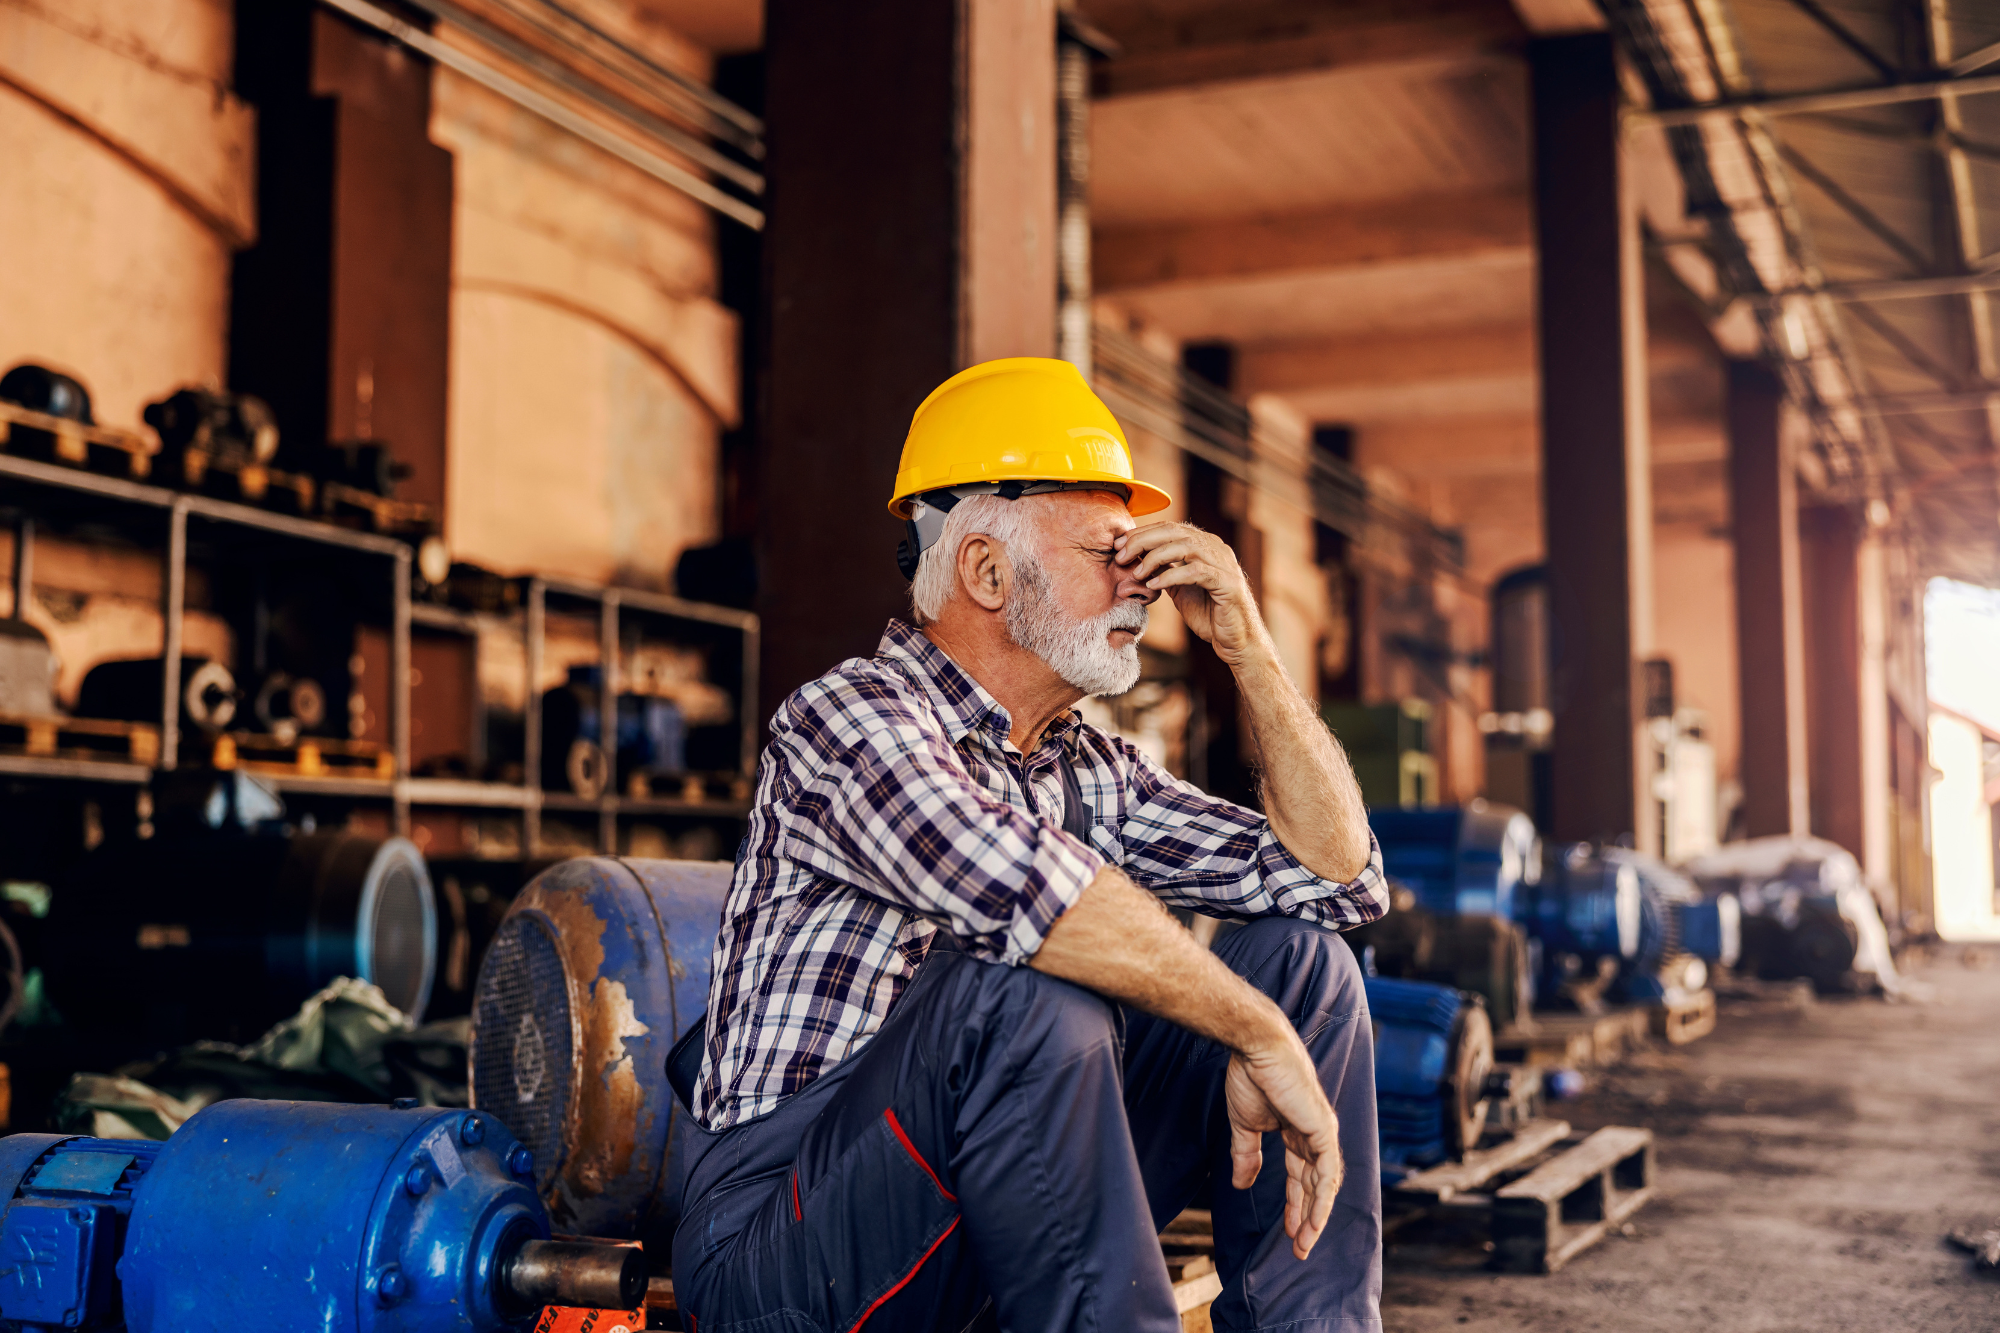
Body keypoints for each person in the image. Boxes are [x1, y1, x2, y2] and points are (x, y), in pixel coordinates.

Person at [673, 357, 1388, 1333]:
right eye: (1108, 550)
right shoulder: (846, 720)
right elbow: (1027, 901)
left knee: (1298, 964)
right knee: (1018, 985)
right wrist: (1250, 1032)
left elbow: (1336, 880)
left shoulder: (1090, 765)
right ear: (984, 569)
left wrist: (1250, 653)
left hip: (985, 1221)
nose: (1140, 584)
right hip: (786, 1253)